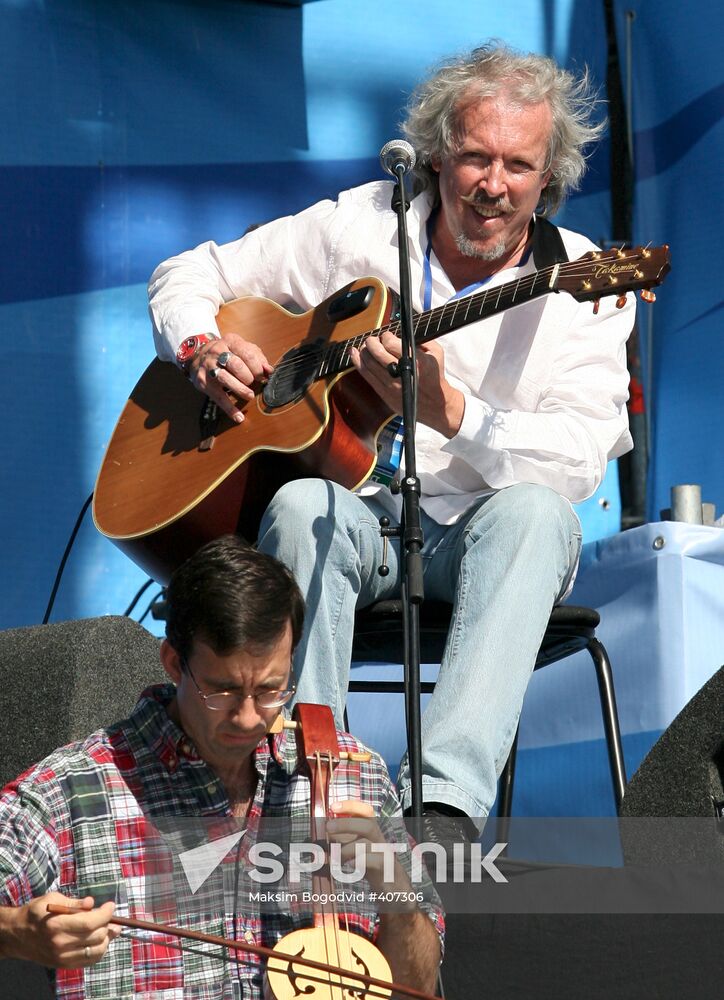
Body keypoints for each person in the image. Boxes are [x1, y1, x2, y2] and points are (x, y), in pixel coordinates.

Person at [146, 43, 635, 835]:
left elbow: (578, 461)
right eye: (474, 156)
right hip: (362, 518)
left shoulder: (583, 281)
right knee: (306, 500)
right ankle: (308, 792)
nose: (493, 184)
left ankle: (439, 807)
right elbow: (188, 273)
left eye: (518, 164)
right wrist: (204, 349)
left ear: (549, 179)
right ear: (437, 157)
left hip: (485, 533)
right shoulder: (362, 226)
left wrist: (455, 415)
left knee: (540, 516)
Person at [0, 537, 443, 998]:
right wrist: (15, 930)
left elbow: (419, 985)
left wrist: (392, 887)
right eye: (224, 690)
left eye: (272, 689)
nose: (250, 716)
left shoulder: (356, 773)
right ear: (174, 663)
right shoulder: (72, 790)